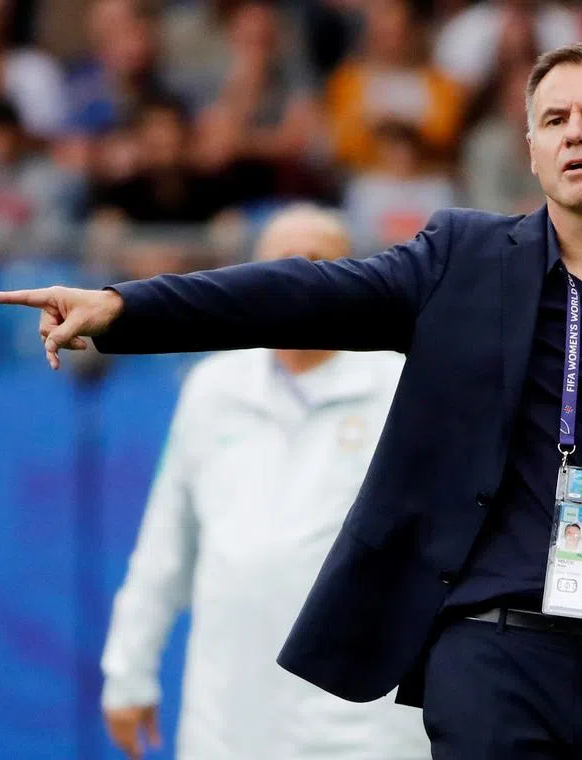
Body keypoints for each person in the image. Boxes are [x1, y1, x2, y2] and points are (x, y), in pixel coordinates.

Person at [0, 43, 582, 759]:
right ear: (533, 153)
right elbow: (298, 293)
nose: (576, 131)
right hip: (493, 657)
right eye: (555, 119)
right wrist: (126, 308)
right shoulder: (464, 261)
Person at [98, 204, 429, 760]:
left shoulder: (405, 383)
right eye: (280, 265)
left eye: (319, 264)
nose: (298, 283)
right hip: (230, 707)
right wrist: (128, 674)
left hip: (364, 712)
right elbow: (166, 547)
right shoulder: (211, 388)